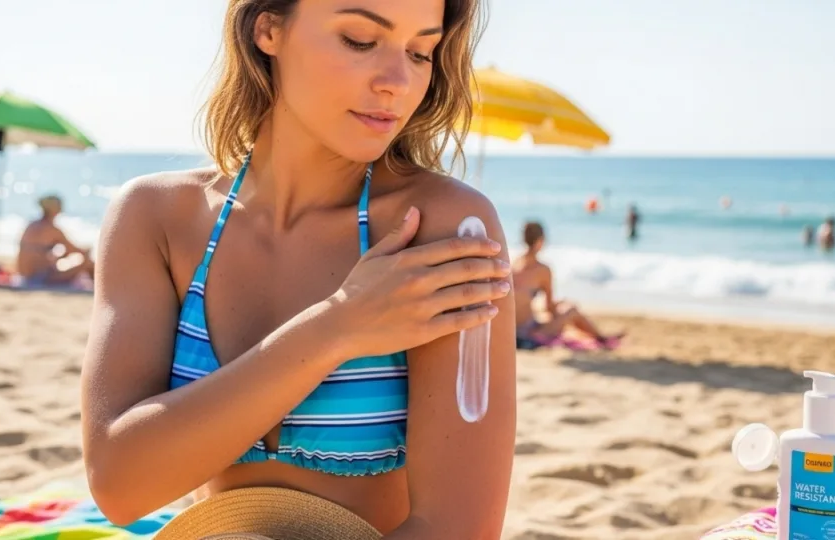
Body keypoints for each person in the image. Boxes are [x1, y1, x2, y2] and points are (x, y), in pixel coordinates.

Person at [80, 1, 516, 538]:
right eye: (359, 40)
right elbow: (118, 485)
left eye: (421, 52)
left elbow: (458, 528)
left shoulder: (445, 228)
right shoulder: (155, 217)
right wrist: (338, 326)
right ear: (269, 28)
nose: (397, 82)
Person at [512, 221, 623, 349]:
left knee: (560, 312)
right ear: (540, 241)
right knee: (571, 310)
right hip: (527, 335)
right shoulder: (542, 270)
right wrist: (560, 305)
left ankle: (600, 337)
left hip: (511, 331)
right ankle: (601, 339)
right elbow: (550, 309)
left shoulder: (514, 264)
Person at [15, 195, 94, 286]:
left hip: (24, 277)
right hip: (39, 278)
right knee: (87, 262)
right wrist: (87, 251)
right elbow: (74, 250)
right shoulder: (52, 229)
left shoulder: (31, 225)